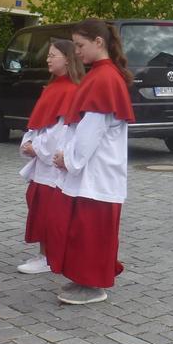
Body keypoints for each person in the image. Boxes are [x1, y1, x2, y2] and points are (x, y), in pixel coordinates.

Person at [51, 20, 135, 304]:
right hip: (95, 171)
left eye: (80, 45)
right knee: (86, 230)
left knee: (91, 232)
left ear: (99, 42)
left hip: (98, 172)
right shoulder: (103, 75)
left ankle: (93, 285)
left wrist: (69, 159)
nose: (76, 52)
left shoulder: (104, 78)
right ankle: (84, 280)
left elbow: (91, 130)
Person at [16, 39, 84, 275]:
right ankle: (44, 253)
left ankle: (49, 256)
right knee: (37, 204)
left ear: (67, 58)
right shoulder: (53, 87)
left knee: (49, 209)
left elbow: (62, 131)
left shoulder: (71, 90)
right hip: (41, 165)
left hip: (53, 164)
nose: (48, 59)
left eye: (53, 55)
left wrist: (38, 148)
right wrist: (28, 141)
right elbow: (38, 124)